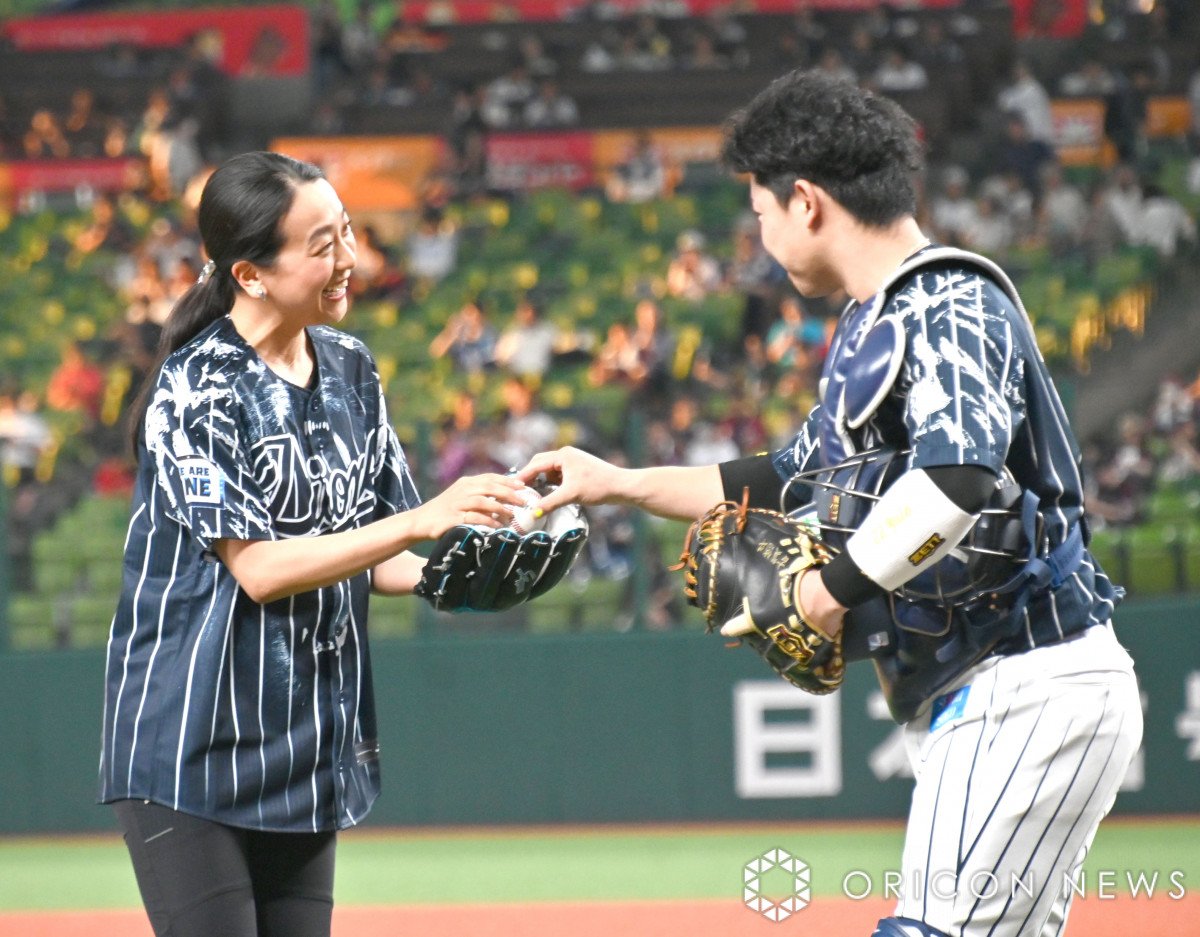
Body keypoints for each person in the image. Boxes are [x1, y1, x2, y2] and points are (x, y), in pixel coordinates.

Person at [519, 71, 1142, 937]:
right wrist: (617, 480)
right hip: (980, 685)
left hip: (1029, 673)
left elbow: (958, 476)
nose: (762, 236)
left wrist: (823, 590)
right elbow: (781, 477)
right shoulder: (874, 321)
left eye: (761, 213)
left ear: (805, 201)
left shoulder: (949, 298)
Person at [98, 152, 525, 937]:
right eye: (322, 244)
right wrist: (421, 522)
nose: (350, 258)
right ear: (251, 274)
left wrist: (462, 576)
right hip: (191, 748)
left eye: (349, 232)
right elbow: (260, 570)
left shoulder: (352, 368)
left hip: (305, 749)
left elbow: (384, 553)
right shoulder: (198, 386)